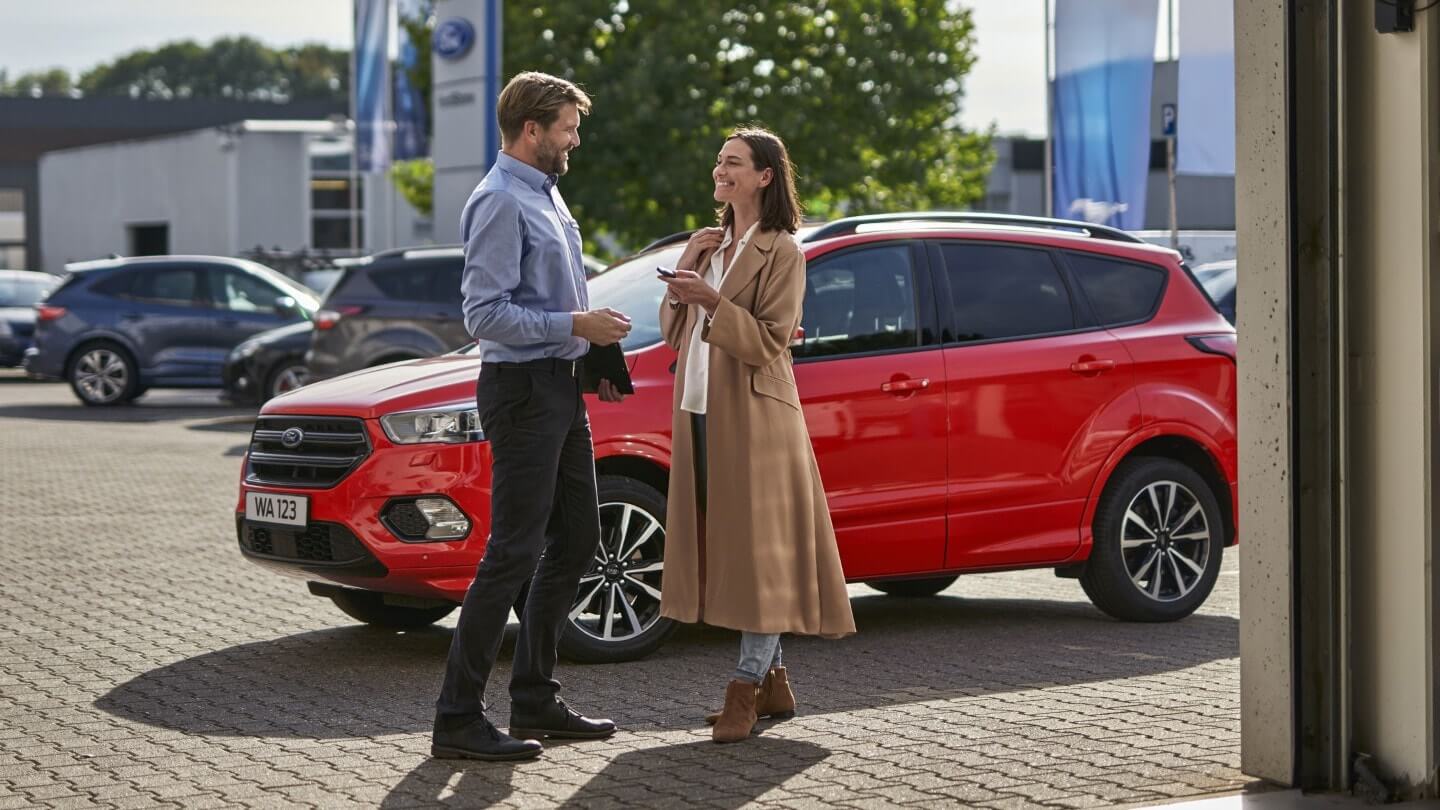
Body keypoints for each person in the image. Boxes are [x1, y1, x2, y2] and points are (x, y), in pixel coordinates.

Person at [431, 71, 632, 762]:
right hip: (519, 391)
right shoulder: (498, 201)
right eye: (568, 126)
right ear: (533, 128)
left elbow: (559, 294)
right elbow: (484, 316)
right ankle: (457, 716)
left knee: (578, 537)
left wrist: (591, 343)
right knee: (513, 550)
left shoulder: (547, 194)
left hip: (558, 386)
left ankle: (534, 698)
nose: (575, 137)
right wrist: (575, 321)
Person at [657, 127, 856, 744]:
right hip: (699, 412)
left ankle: (744, 689)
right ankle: (774, 683)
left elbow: (771, 341)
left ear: (764, 175)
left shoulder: (784, 252)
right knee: (733, 552)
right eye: (719, 160)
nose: (721, 169)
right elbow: (670, 331)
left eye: (734, 162)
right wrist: (691, 265)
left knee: (759, 554)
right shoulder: (711, 245)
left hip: (757, 417)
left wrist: (713, 298)